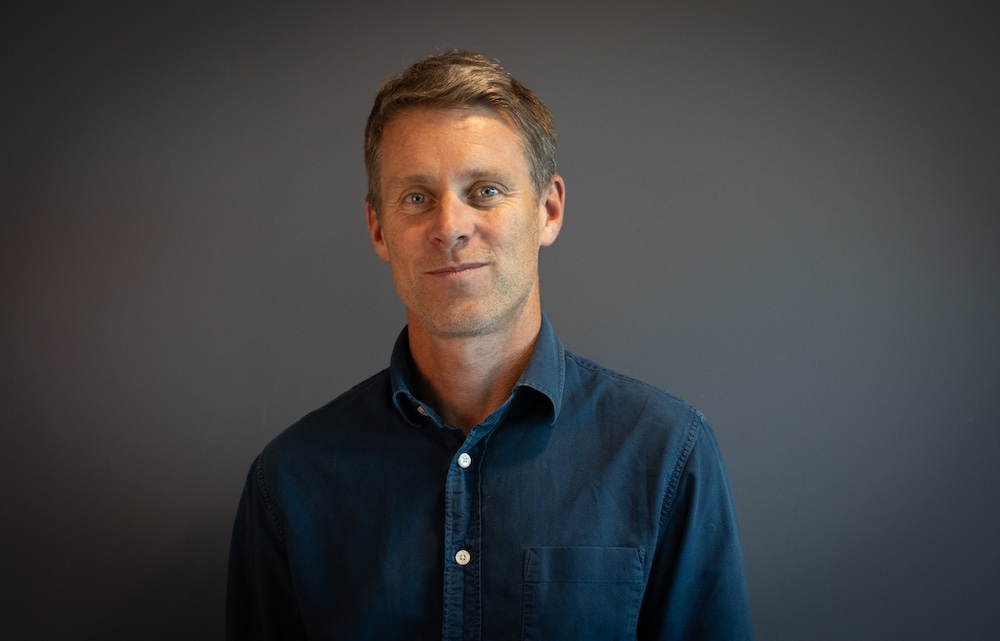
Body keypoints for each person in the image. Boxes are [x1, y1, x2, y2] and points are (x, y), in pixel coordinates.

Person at [226, 50, 754, 640]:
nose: (450, 226)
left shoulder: (665, 454)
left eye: (485, 191)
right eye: (417, 197)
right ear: (378, 228)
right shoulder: (291, 481)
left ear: (548, 210)